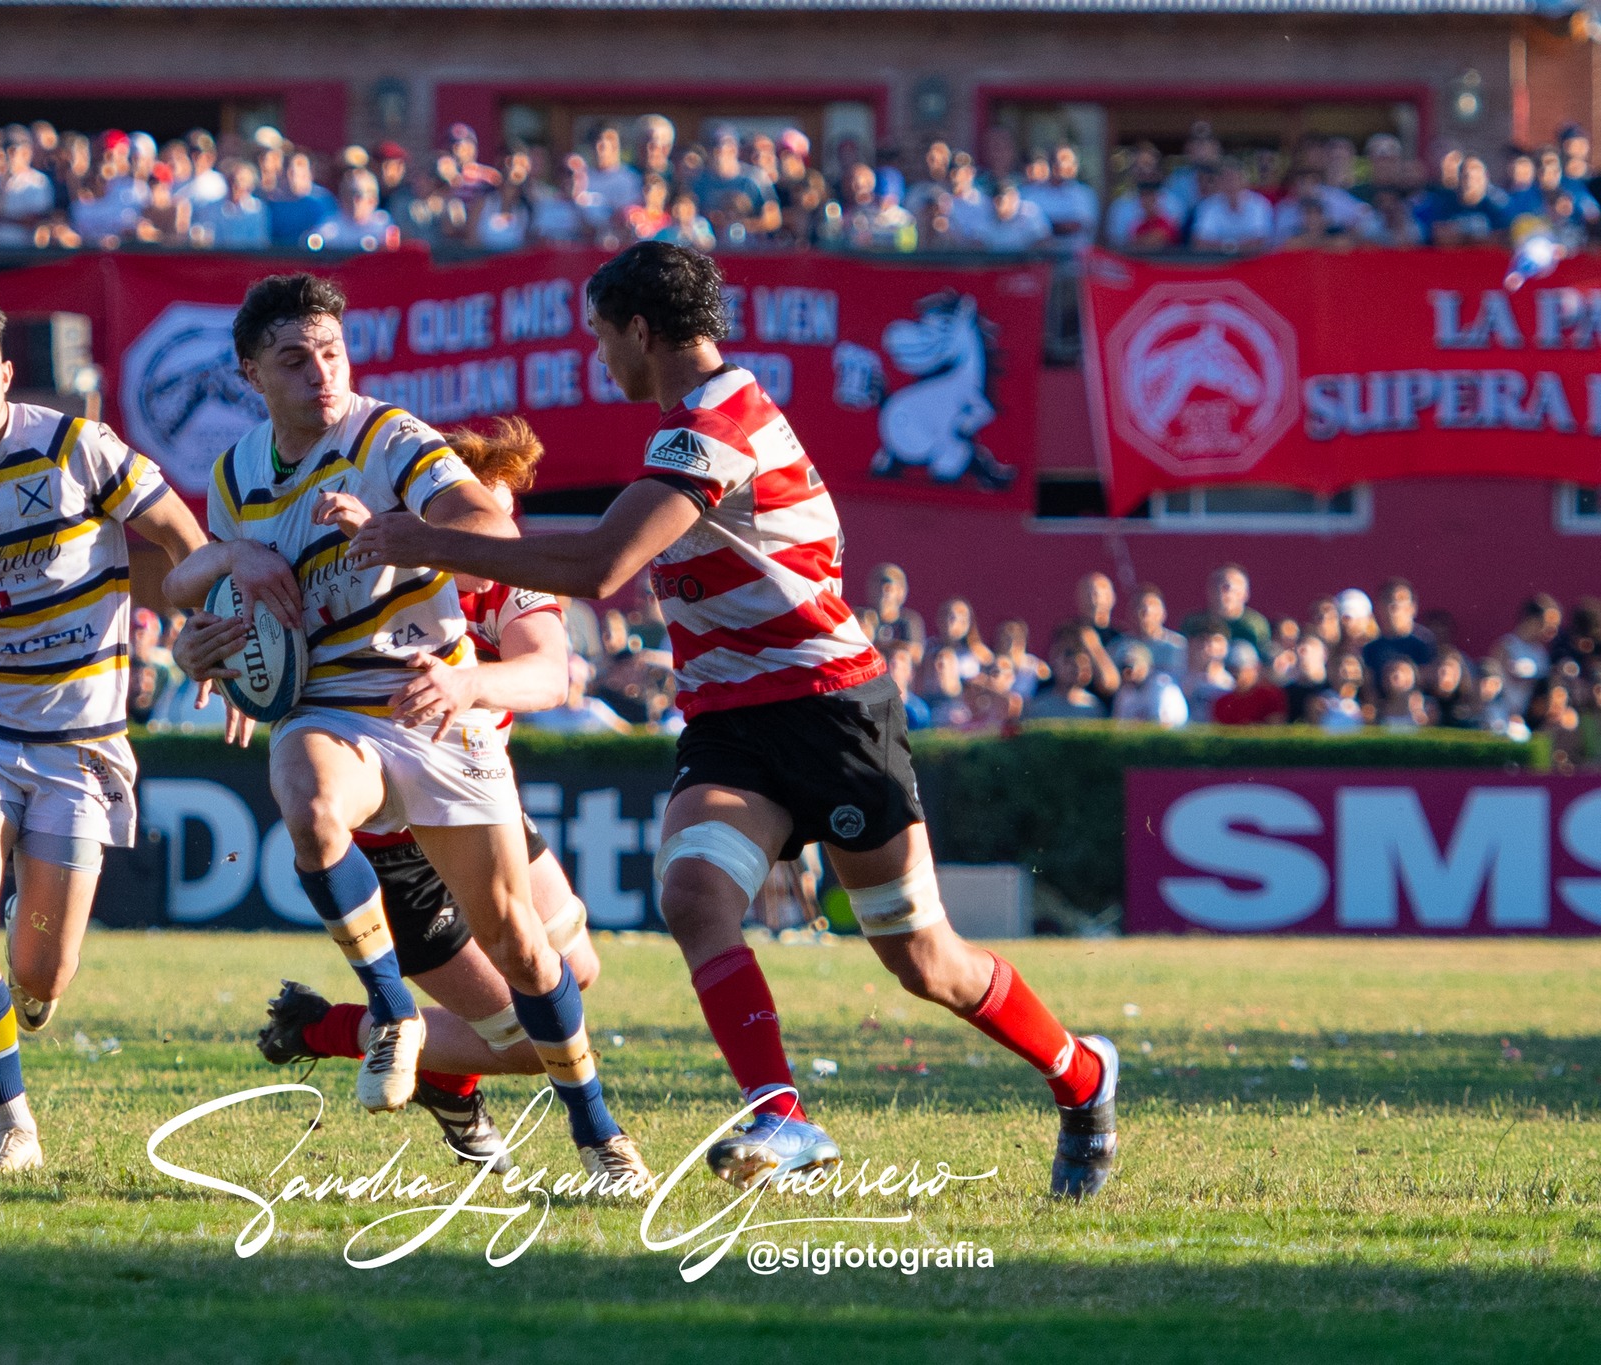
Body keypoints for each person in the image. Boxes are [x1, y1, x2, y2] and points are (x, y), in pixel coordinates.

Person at [348, 242, 1119, 1198]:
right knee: (693, 893)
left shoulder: (716, 421)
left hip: (830, 711)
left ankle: (1083, 1076)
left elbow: (599, 568)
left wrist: (420, 538)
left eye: (602, 336)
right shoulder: (692, 425)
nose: (600, 359)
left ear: (641, 329)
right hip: (732, 722)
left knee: (927, 960)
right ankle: (781, 1117)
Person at [160, 272, 649, 1187]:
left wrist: (455, 646)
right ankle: (388, 1012)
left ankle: (569, 1126)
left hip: (445, 740)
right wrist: (222, 648)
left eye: (332, 352)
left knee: (549, 972)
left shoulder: (409, 462)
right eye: (295, 359)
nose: (320, 373)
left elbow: (545, 659)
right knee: (305, 797)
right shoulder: (238, 477)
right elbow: (206, 599)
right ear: (252, 375)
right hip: (344, 730)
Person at [0, 290, 208, 1174]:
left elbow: (179, 534)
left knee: (44, 978)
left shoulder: (75, 446)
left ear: (7, 371)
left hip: (83, 740)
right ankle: (13, 1122)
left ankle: (29, 972)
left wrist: (217, 635)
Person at [218, 418, 619, 1169]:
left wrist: (468, 680)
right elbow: (248, 630)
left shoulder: (510, 579)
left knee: (576, 969)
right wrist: (238, 667)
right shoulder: (373, 569)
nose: (493, 538)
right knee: (531, 1043)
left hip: (479, 797)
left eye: (499, 519)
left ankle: (443, 1075)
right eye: (472, 518)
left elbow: (548, 674)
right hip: (396, 848)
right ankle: (329, 1028)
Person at [1360, 578, 1437, 697]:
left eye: (1401, 600)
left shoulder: (1425, 644)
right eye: (1388, 599)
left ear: (1413, 607)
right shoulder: (1370, 649)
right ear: (1379, 607)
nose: (1394, 606)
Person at [1181, 563, 1270, 652]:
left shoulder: (1254, 626)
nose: (1221, 591)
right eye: (1215, 585)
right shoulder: (1193, 623)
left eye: (1227, 587)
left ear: (1245, 594)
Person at [1110, 641, 1188, 727]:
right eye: (1123, 667)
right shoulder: (1125, 692)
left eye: (1130, 666)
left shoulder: (1161, 685)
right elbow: (1118, 727)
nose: (1126, 672)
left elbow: (1163, 725)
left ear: (1146, 665)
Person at [1025, 643, 1108, 720]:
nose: (1074, 668)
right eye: (1068, 663)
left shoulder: (1094, 708)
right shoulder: (1038, 708)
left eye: (1081, 664)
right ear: (1055, 666)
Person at [1211, 641, 1287, 725]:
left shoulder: (1270, 696)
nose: (1236, 674)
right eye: (1232, 669)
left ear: (1256, 667)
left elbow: (1275, 729)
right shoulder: (1222, 703)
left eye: (1240, 669)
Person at [1119, 583, 1186, 677]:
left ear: (1163, 614)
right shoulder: (1119, 646)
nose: (1146, 612)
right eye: (1139, 606)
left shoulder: (1176, 646)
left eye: (1152, 606)